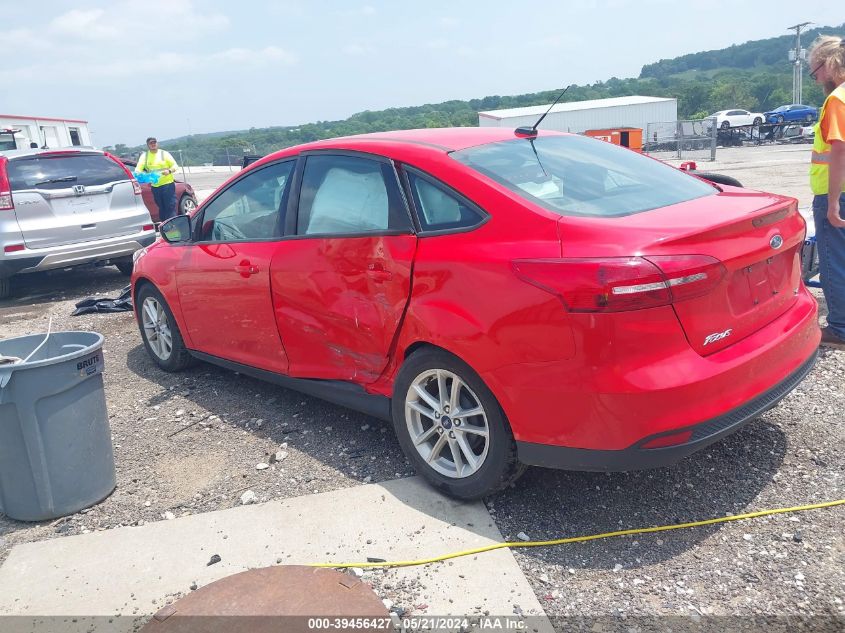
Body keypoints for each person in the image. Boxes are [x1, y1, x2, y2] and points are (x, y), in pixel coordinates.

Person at [808, 36, 845, 350]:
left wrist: (832, 203)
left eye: (815, 70)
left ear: (830, 65)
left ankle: (840, 328)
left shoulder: (837, 100)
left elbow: (839, 153)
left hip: (836, 194)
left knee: (834, 261)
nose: (816, 77)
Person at [137, 137, 180, 222]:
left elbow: (175, 166)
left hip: (167, 184)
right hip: (155, 186)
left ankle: (173, 226)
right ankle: (165, 227)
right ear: (148, 145)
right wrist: (142, 176)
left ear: (157, 143)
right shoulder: (145, 156)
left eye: (154, 142)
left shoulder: (164, 154)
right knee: (161, 208)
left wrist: (169, 171)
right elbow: (138, 169)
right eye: (151, 143)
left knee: (170, 207)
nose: (153, 144)